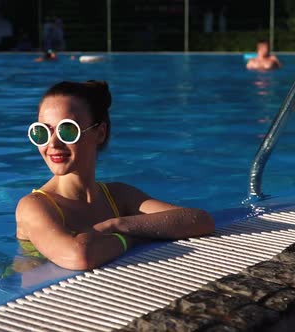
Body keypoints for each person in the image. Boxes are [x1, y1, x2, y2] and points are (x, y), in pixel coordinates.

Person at [15, 81, 215, 271]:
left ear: (100, 133)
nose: (53, 143)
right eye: (42, 132)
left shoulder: (118, 196)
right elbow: (80, 256)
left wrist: (119, 225)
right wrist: (137, 236)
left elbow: (199, 220)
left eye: (67, 130)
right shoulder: (35, 206)